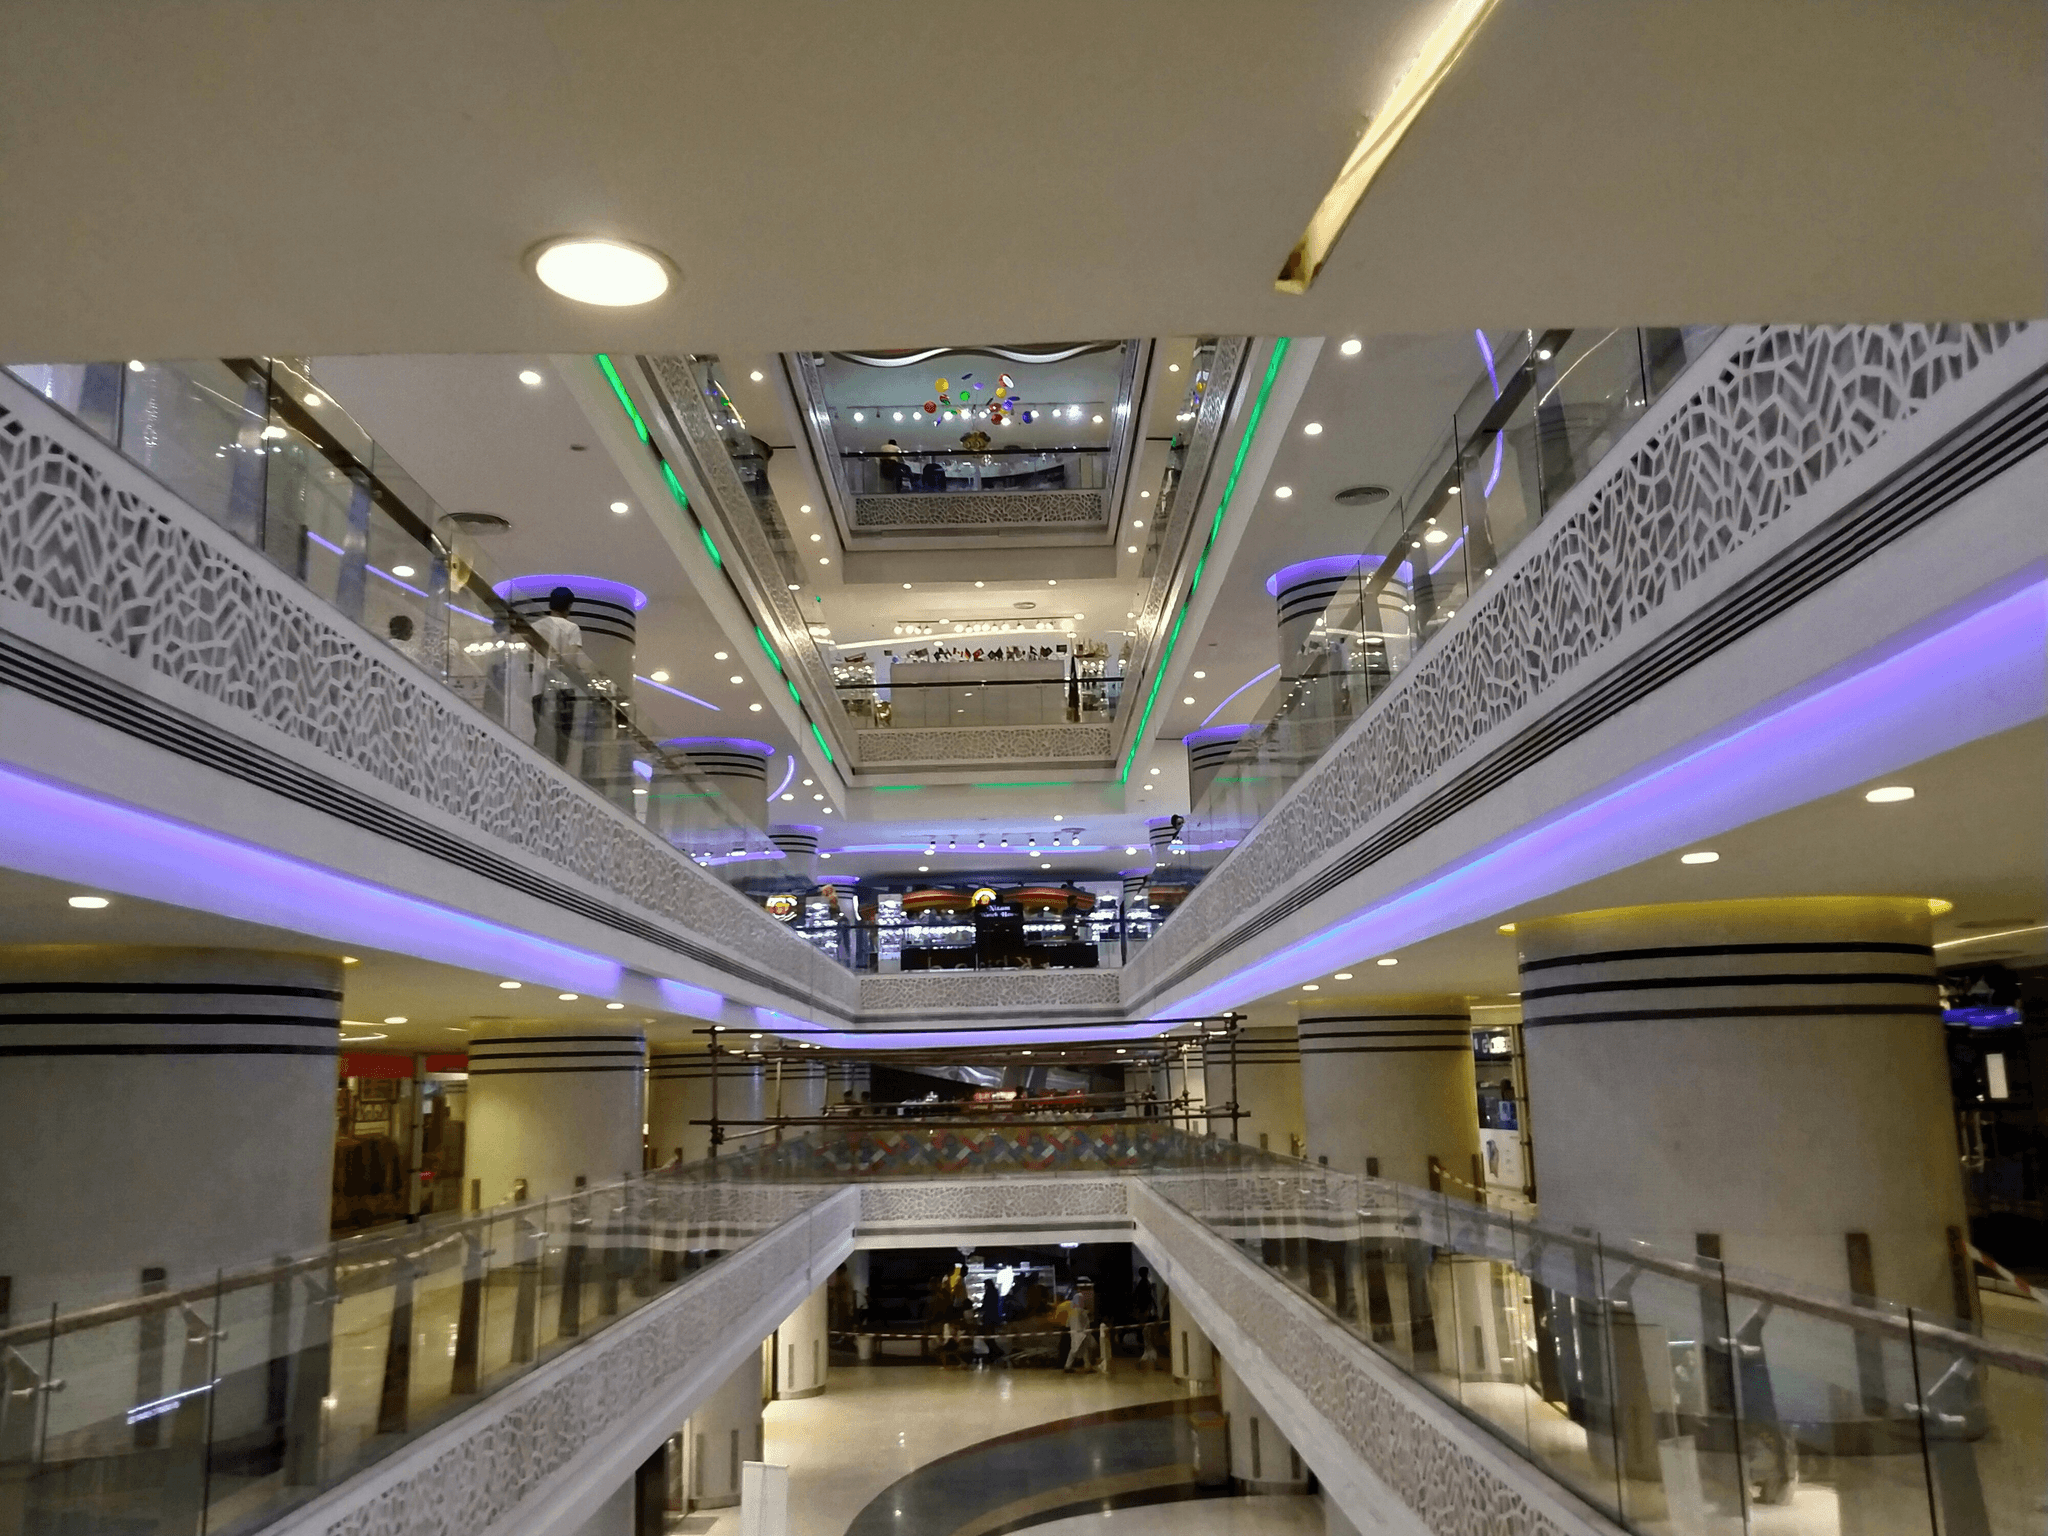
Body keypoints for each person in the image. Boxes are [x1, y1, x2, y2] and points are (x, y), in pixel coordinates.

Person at [529, 586, 584, 766]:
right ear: (569, 606)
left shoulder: (536, 626)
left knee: (542, 733)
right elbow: (572, 660)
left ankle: (538, 770)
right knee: (562, 740)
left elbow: (529, 658)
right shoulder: (572, 628)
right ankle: (559, 772)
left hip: (538, 689)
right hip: (564, 690)